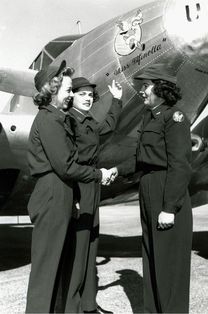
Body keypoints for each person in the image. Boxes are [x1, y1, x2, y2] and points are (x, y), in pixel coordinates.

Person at [26, 60, 113, 313]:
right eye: (67, 90)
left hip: (61, 193)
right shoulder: (49, 121)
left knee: (56, 266)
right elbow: (66, 166)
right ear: (52, 92)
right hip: (52, 194)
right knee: (46, 270)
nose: (70, 95)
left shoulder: (58, 119)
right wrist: (99, 174)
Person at [116, 63, 193, 313]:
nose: (142, 91)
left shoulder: (175, 118)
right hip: (148, 189)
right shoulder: (150, 116)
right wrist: (115, 170)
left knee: (169, 266)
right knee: (151, 259)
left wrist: (170, 207)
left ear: (160, 88)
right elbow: (142, 158)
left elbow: (180, 166)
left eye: (146, 86)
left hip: (165, 191)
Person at [63, 77, 122, 314]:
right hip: (79, 185)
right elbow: (67, 162)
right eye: (82, 94)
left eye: (90, 95)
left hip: (92, 186)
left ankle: (88, 305)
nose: (88, 98)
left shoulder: (86, 120)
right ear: (72, 97)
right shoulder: (68, 121)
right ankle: (72, 307)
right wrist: (74, 195)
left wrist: (117, 100)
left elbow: (107, 126)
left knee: (91, 246)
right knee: (78, 250)